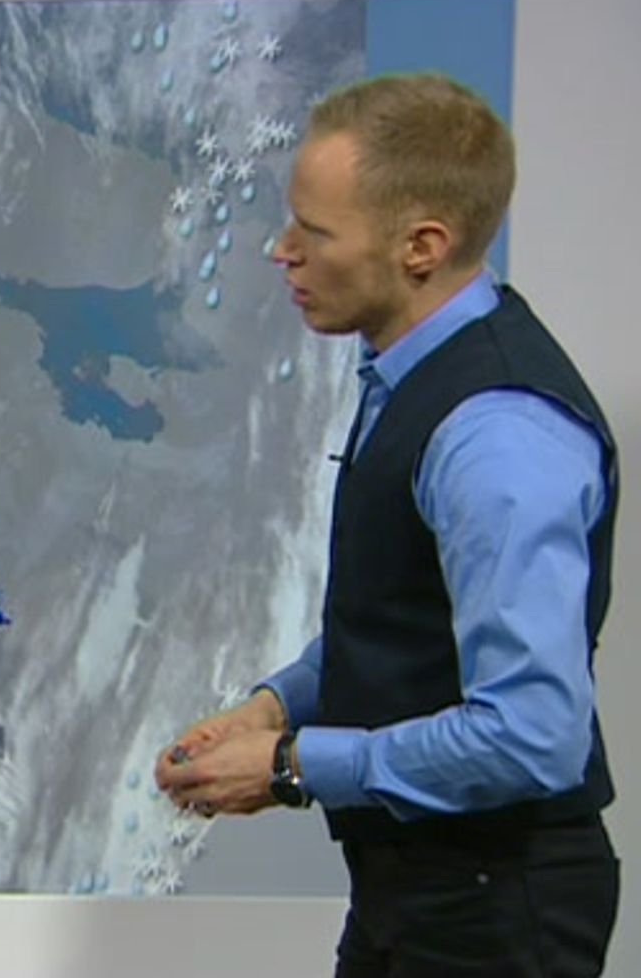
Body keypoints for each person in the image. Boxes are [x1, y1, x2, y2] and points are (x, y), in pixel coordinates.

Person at [153, 72, 621, 977]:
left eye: (315, 232)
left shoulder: (495, 437)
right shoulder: (409, 377)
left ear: (422, 246)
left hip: (493, 915)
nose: (281, 251)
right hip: (419, 897)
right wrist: (274, 707)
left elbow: (532, 737)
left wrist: (291, 766)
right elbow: (405, 618)